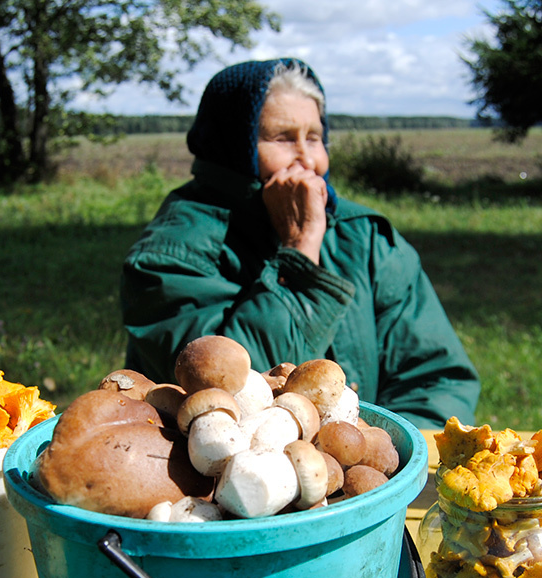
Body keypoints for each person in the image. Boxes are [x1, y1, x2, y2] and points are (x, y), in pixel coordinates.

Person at [119, 58, 480, 429]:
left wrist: (396, 459)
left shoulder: (364, 236)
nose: (309, 159)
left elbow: (435, 377)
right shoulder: (170, 254)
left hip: (365, 477)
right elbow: (238, 402)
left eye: (314, 137)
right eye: (282, 138)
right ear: (230, 149)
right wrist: (301, 252)